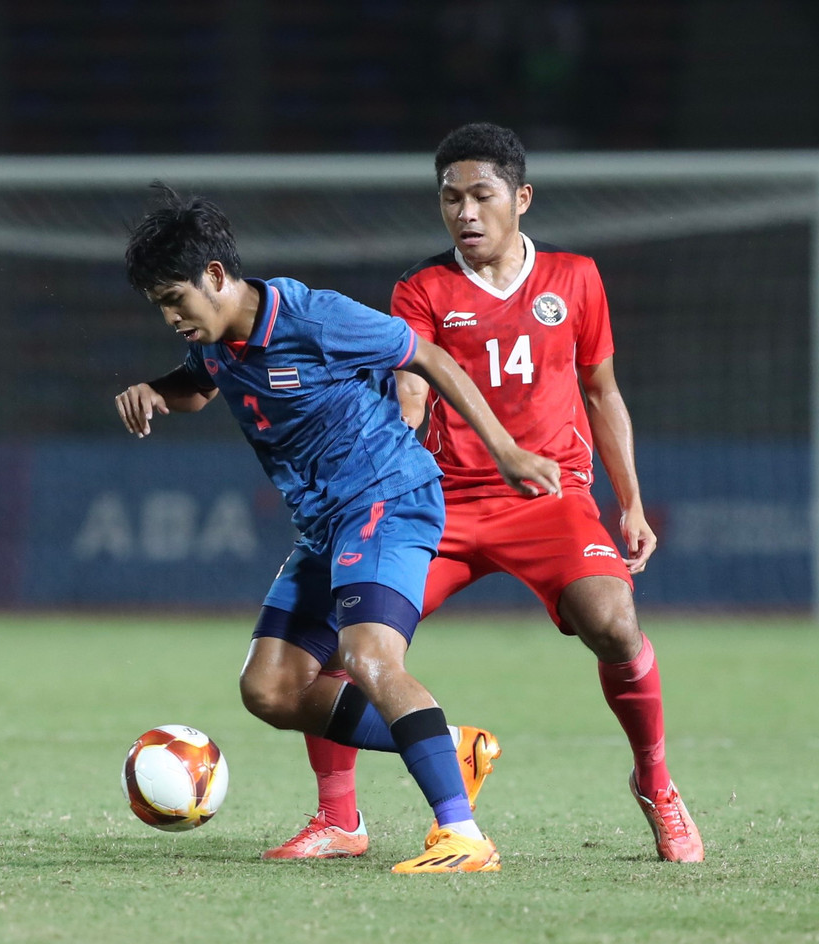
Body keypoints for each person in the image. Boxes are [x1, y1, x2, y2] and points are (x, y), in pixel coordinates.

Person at [265, 122, 705, 864]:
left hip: (549, 499)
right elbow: (411, 379)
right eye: (449, 199)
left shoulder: (576, 280)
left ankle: (656, 783)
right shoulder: (423, 288)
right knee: (347, 641)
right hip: (438, 504)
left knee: (615, 622)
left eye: (481, 196)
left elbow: (601, 392)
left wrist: (628, 499)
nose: (465, 213)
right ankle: (340, 818)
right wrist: (394, 433)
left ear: (521, 198)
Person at [116, 185, 562, 874]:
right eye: (160, 308)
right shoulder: (216, 340)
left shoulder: (314, 317)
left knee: (371, 658)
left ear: (215, 276)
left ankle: (462, 835)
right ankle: (451, 749)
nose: (172, 316)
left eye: (176, 299)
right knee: (270, 690)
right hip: (323, 522)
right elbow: (199, 385)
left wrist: (506, 452)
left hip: (388, 497)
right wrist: (156, 390)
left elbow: (430, 358)